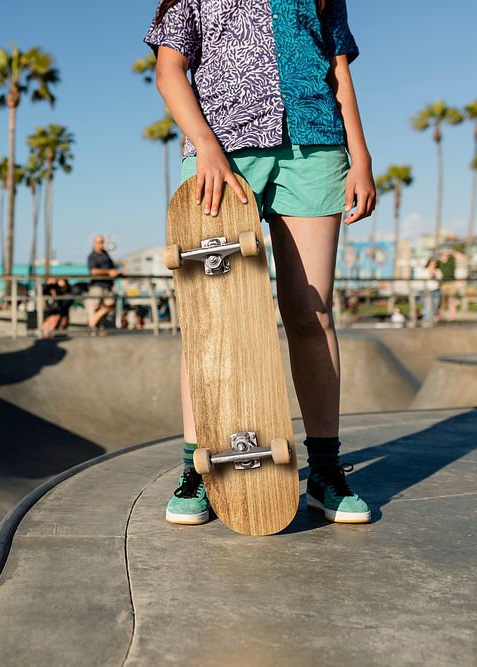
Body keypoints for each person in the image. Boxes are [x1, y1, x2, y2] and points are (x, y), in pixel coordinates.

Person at [146, 0, 376, 525]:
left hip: (315, 146)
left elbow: (337, 67)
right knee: (212, 322)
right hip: (222, 153)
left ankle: (324, 468)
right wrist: (206, 146)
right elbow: (169, 69)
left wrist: (359, 155)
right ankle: (198, 469)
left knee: (312, 313)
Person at [86, 235, 120, 332]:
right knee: (95, 307)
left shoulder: (105, 254)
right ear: (94, 243)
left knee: (110, 303)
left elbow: (112, 267)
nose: (101, 244)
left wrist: (116, 272)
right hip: (97, 285)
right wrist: (108, 272)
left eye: (102, 242)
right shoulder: (92, 256)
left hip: (107, 286)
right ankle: (95, 328)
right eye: (99, 242)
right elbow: (93, 271)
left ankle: (93, 323)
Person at [435, 248, 459, 321]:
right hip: (443, 283)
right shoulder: (439, 262)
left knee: (451, 301)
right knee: (441, 301)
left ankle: (453, 318)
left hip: (451, 282)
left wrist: (451, 252)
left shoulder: (451, 260)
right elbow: (431, 267)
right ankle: (440, 317)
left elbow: (460, 257)